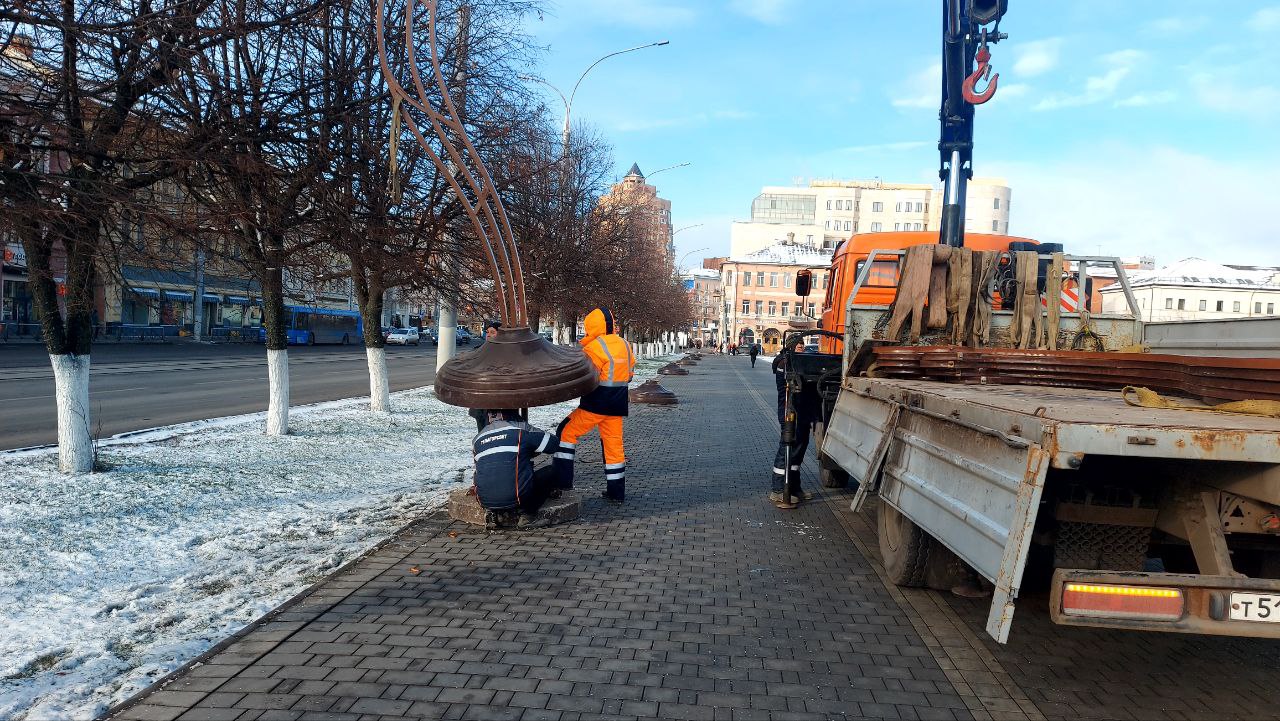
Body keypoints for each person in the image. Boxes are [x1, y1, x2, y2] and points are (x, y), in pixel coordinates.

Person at [553, 307, 634, 503]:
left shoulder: (594, 347)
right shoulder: (625, 344)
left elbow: (587, 378)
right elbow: (630, 374)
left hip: (596, 404)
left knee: (565, 432)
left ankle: (563, 484)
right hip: (617, 405)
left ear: (592, 326)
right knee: (613, 446)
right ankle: (616, 493)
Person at [472, 409, 560, 527]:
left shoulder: (477, 439)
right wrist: (530, 437)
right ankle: (527, 516)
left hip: (484, 500)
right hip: (518, 497)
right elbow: (553, 444)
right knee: (552, 471)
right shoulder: (520, 433)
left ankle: (492, 513)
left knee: (490, 469)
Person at [769, 340, 819, 507]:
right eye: (797, 343)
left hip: (802, 410)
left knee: (800, 445)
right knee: (787, 445)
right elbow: (792, 382)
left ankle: (794, 487)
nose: (801, 346)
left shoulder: (798, 360)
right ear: (789, 346)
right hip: (788, 410)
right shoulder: (785, 362)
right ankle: (778, 489)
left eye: (802, 344)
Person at [468, 321, 503, 432]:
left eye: (492, 332)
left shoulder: (508, 353)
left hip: (501, 403)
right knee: (483, 434)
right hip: (481, 402)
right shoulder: (477, 351)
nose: (488, 335)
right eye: (487, 332)